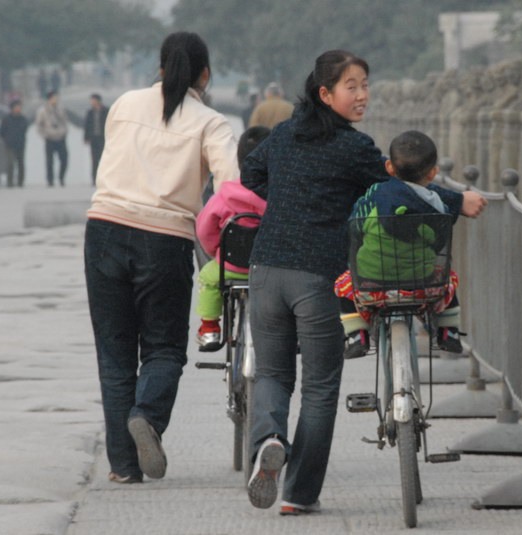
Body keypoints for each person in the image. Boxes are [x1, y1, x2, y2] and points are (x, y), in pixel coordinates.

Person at [240, 49, 486, 515]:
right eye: (351, 86)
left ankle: (270, 440)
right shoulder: (355, 148)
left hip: (267, 268)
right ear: (325, 93)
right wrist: (458, 201)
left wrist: (290, 198)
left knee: (273, 374)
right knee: (318, 387)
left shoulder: (285, 135)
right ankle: (298, 494)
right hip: (319, 277)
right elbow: (405, 193)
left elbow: (251, 171)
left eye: (365, 85)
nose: (362, 95)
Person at [84, 31, 240, 485]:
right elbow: (230, 192)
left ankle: (124, 466)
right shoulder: (212, 123)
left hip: (104, 229)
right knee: (164, 348)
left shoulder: (125, 105)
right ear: (205, 75)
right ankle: (147, 416)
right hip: (164, 240)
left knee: (114, 356)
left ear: (159, 67)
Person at [335, 130, 464, 358]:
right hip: (422, 285)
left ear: (389, 168)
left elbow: (356, 224)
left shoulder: (375, 193)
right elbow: (440, 236)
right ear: (433, 173)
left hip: (371, 286)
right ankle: (448, 331)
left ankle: (356, 335)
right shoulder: (436, 202)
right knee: (449, 280)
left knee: (342, 285)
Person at [195, 126, 270, 350]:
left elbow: (204, 230)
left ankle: (209, 328)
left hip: (230, 266)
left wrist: (216, 252)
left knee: (209, 279)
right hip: (269, 269)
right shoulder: (280, 195)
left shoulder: (226, 195)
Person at [35, 90, 68, 186]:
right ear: (49, 99)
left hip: (61, 137)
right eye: (54, 97)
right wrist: (44, 135)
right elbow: (39, 125)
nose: (56, 99)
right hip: (49, 137)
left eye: (56, 97)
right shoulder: (43, 111)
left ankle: (61, 177)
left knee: (64, 159)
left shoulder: (61, 109)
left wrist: (64, 132)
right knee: (49, 161)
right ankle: (50, 180)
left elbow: (65, 121)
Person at [0, 99, 29, 187]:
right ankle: (10, 182)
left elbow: (25, 129)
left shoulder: (23, 119)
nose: (18, 109)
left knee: (21, 163)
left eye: (19, 107)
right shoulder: (6, 119)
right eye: (16, 107)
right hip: (9, 145)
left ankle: (20, 182)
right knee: (10, 163)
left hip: (20, 144)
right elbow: (1, 132)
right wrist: (7, 139)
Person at [84, 93, 109, 185]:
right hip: (93, 138)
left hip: (103, 138)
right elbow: (87, 125)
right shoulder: (90, 112)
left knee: (104, 159)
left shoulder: (106, 111)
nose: (92, 102)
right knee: (94, 160)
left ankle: (105, 179)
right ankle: (94, 179)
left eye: (93, 100)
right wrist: (86, 137)